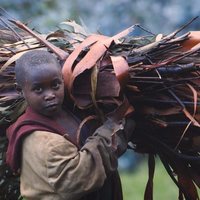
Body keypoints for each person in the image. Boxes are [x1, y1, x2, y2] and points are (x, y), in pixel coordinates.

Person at [6, 50, 135, 200]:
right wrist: (113, 130)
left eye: (55, 85)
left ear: (63, 79)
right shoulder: (44, 142)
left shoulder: (71, 109)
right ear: (20, 91)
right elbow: (80, 178)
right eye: (38, 89)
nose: (50, 95)